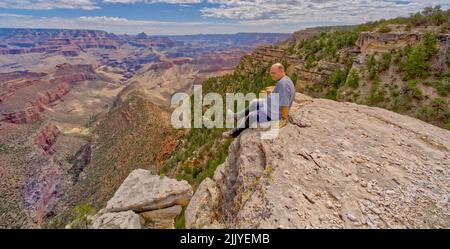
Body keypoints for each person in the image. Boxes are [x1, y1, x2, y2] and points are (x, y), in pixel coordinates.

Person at [222, 62, 296, 138]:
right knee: (254, 103)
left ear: (281, 71)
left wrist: (283, 119)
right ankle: (237, 116)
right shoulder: (285, 80)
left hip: (273, 113)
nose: (272, 76)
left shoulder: (283, 84)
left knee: (252, 116)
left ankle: (233, 133)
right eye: (271, 73)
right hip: (271, 104)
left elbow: (284, 104)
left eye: (274, 73)